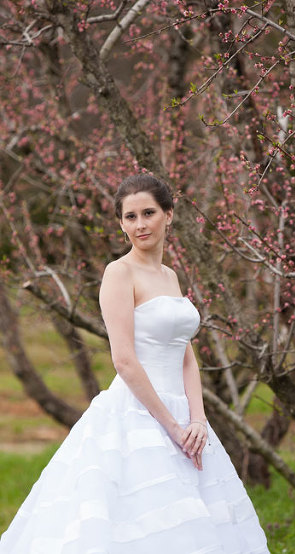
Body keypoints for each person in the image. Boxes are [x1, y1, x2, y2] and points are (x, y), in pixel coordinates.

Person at [0, 174, 269, 553]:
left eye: (148, 213)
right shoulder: (119, 273)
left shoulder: (170, 276)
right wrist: (174, 428)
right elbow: (124, 360)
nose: (140, 224)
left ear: (168, 215)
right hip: (139, 411)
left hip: (186, 416)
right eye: (130, 217)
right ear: (121, 223)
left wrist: (197, 419)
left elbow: (186, 355)